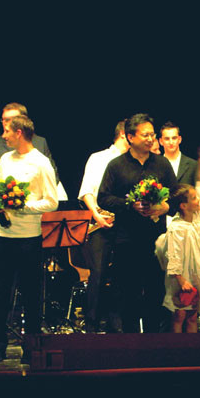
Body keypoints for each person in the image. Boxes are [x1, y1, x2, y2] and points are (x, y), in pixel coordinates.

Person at [0, 115, 59, 363]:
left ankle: (31, 347)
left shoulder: (41, 162)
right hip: (3, 235)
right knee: (0, 293)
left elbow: (52, 201)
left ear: (19, 133)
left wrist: (22, 207)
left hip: (28, 237)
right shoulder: (5, 159)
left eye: (7, 131)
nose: (3, 135)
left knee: (31, 294)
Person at [98, 113, 177, 333]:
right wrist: (129, 205)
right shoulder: (116, 165)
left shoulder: (162, 164)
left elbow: (176, 194)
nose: (151, 139)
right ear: (130, 137)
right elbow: (103, 197)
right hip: (126, 238)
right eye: (145, 135)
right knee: (128, 292)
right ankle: (131, 340)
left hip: (156, 239)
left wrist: (165, 206)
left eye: (152, 135)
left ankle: (154, 339)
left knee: (156, 291)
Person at [157, 158, 200, 333]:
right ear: (184, 206)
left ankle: (192, 346)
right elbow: (174, 255)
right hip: (183, 276)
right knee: (179, 314)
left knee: (193, 313)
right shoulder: (177, 228)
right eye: (194, 198)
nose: (198, 200)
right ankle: (178, 346)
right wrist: (181, 280)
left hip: (197, 273)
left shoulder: (198, 219)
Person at [78, 119, 129, 332]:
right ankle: (91, 324)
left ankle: (116, 325)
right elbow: (87, 191)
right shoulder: (98, 158)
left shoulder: (134, 161)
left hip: (126, 224)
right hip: (102, 223)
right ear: (125, 135)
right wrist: (96, 215)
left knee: (122, 275)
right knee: (97, 274)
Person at [0, 102, 57, 183]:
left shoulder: (40, 142)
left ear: (23, 120)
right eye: (3, 119)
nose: (5, 123)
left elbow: (53, 176)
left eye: (11, 119)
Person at [159, 122, 197, 186]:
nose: (171, 142)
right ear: (161, 141)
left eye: (174, 138)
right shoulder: (155, 165)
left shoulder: (193, 165)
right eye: (167, 139)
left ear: (179, 139)